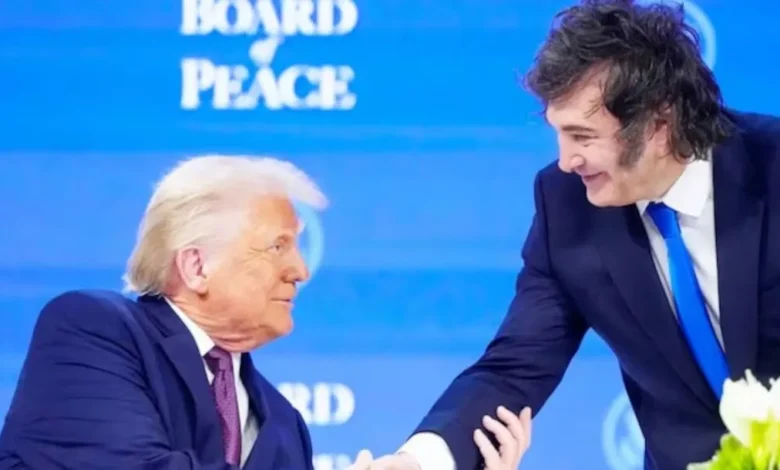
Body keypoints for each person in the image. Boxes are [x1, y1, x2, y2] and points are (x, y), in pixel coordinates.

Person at [350, 0, 780, 469]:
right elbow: (515, 366)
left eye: (583, 136)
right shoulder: (568, 206)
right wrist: (417, 461)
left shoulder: (772, 166)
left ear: (659, 125)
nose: (566, 160)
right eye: (558, 132)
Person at [0, 155, 329, 469]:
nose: (300, 271)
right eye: (278, 246)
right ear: (197, 266)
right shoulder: (92, 331)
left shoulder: (286, 423)